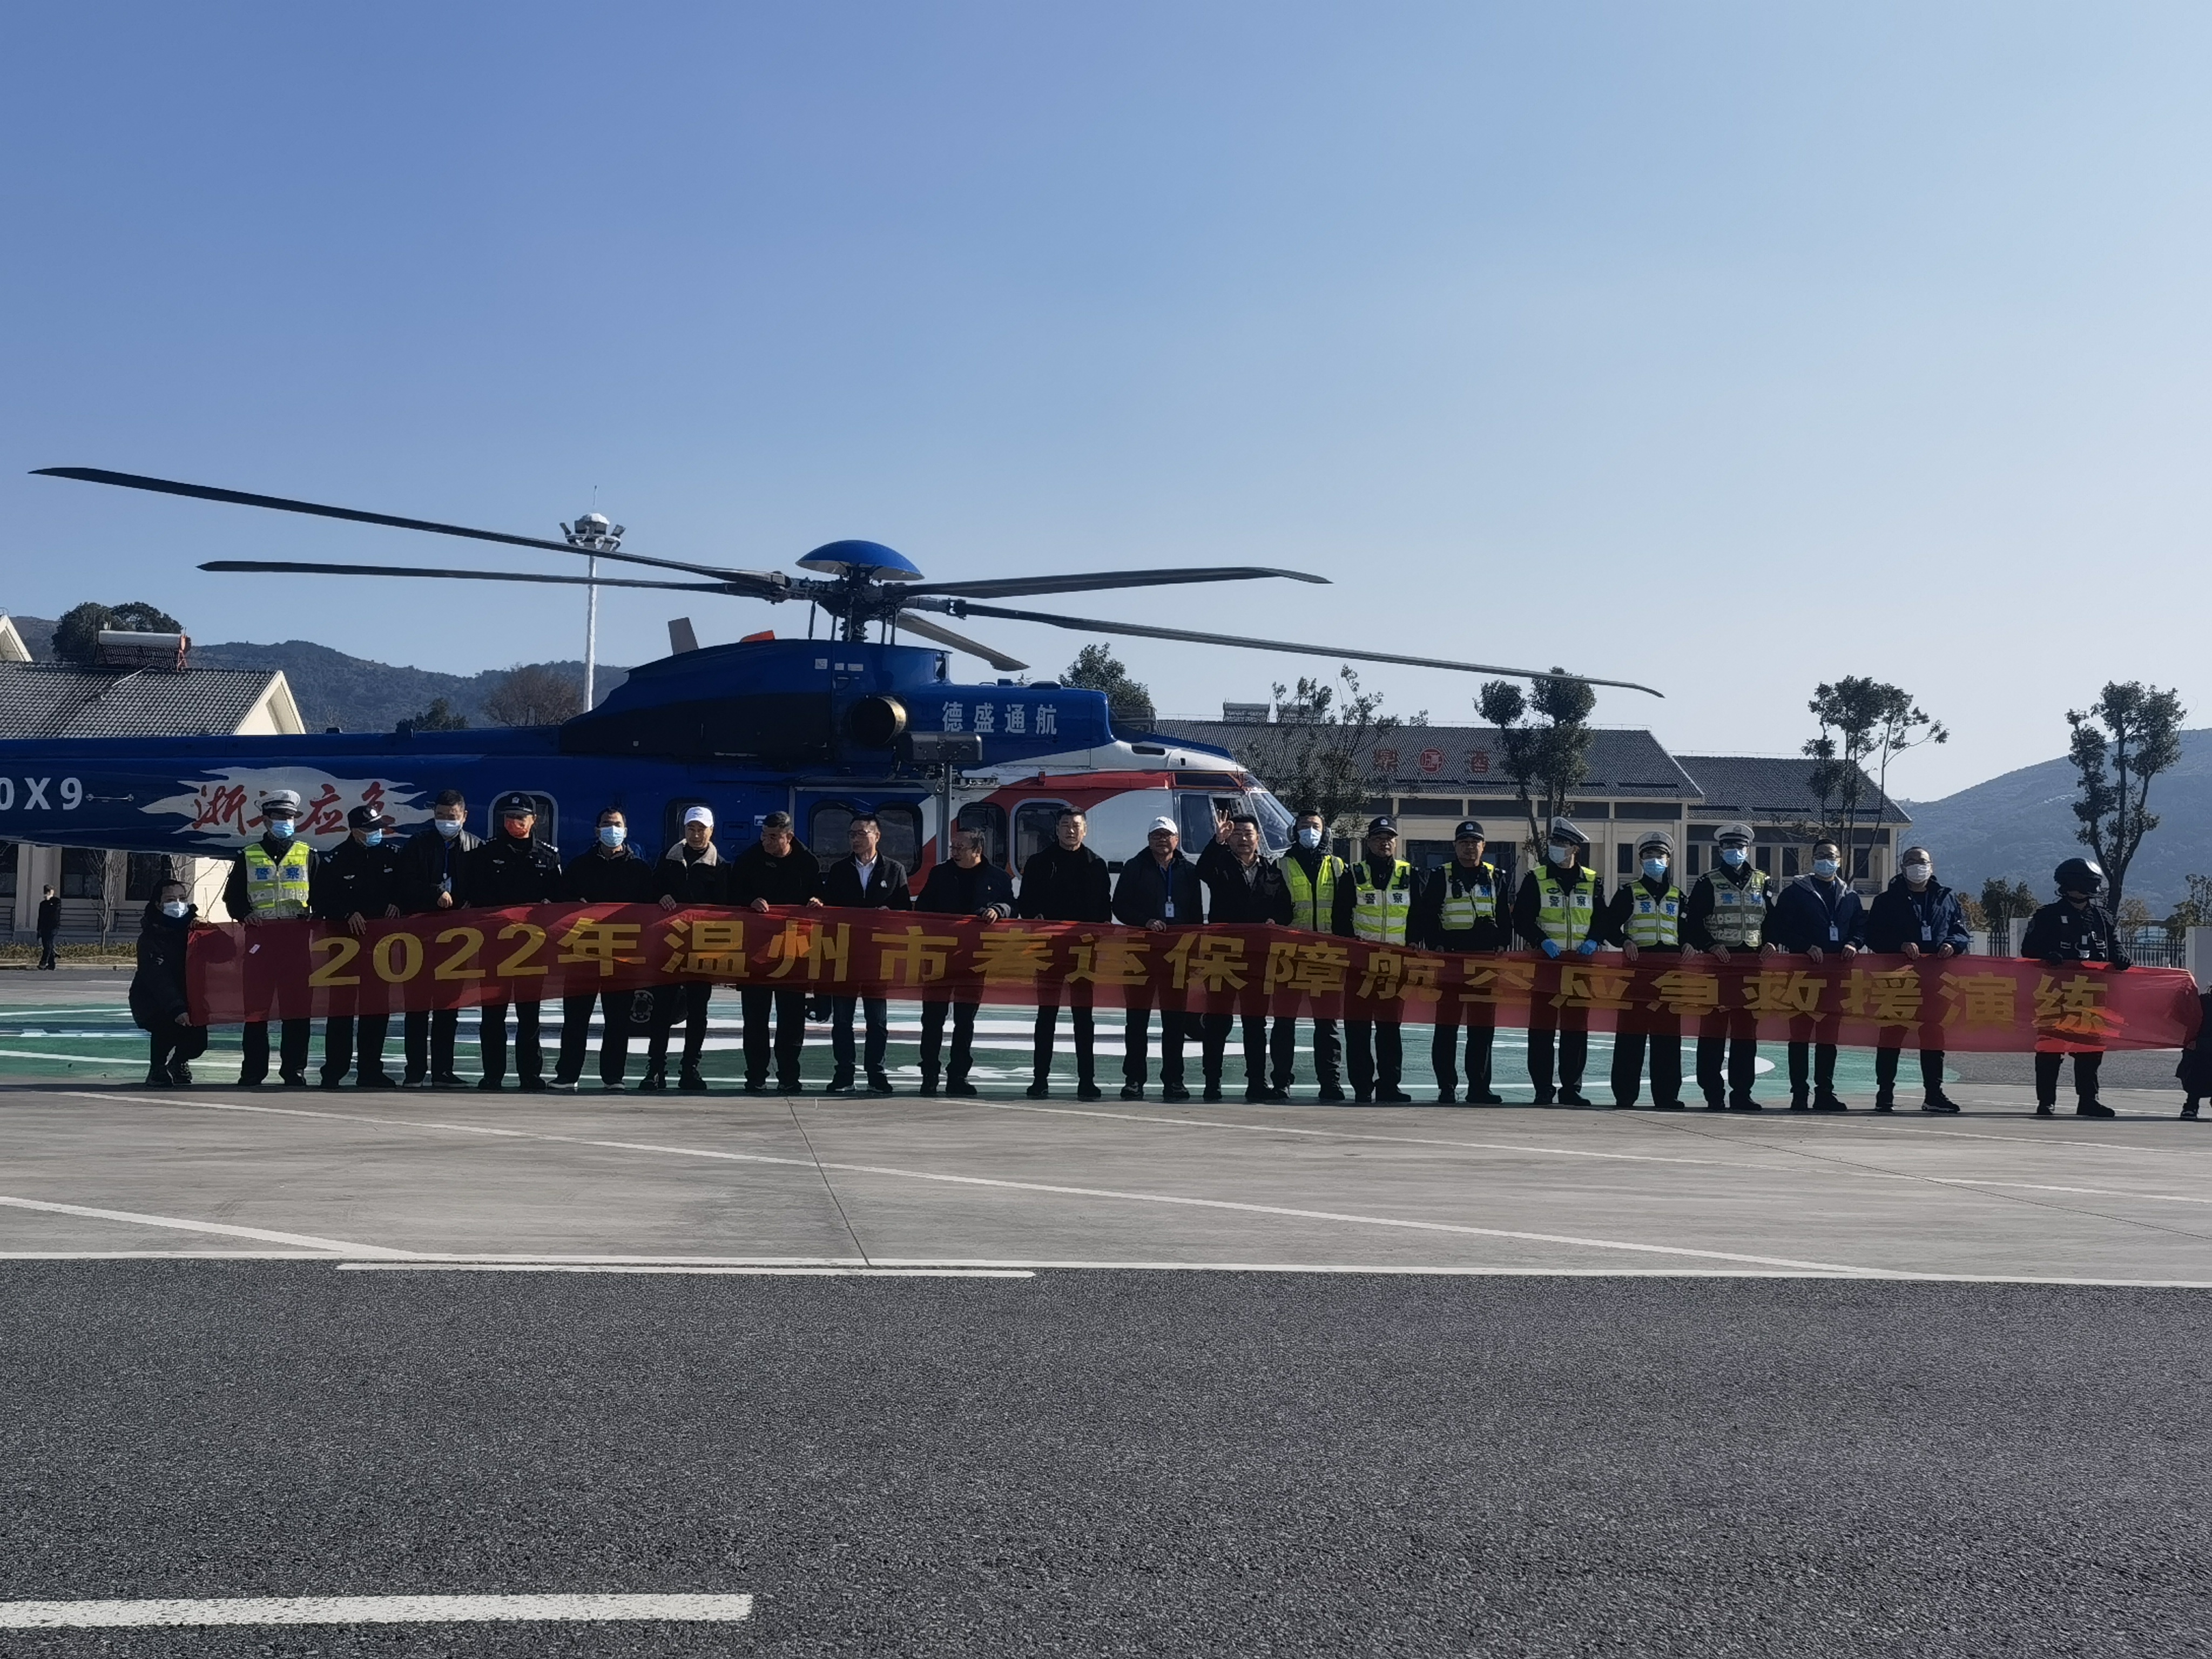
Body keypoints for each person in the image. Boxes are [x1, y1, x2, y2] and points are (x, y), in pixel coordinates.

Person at [465, 792, 565, 1091]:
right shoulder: (485, 854)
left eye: (521, 818)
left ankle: (530, 1074)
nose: (515, 822)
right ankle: (492, 1074)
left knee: (529, 1015)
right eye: (510, 817)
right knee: (492, 1016)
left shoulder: (549, 857)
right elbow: (476, 896)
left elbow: (560, 898)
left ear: (534, 820)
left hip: (532, 950)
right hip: (494, 947)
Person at [557, 806, 659, 1091]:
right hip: (582, 954)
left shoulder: (639, 870)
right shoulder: (579, 866)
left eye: (616, 825)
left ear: (625, 831)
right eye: (606, 824)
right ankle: (567, 1074)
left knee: (617, 1020)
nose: (611, 829)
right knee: (575, 1018)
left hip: (621, 955)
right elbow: (561, 903)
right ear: (596, 830)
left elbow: (649, 911)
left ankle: (614, 1076)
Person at [222, 787, 318, 1087]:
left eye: (290, 817)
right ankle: (253, 1071)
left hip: (296, 943)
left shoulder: (308, 855)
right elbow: (233, 898)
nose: (286, 822)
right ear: (265, 820)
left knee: (297, 1011)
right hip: (260, 944)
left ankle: (294, 1070)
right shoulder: (248, 855)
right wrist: (244, 914)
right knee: (256, 1012)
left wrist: (316, 915)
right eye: (280, 817)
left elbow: (324, 895)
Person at [2021, 857, 2130, 1119]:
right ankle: (2046, 1101)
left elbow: (2114, 944)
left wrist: (2121, 956)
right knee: (2051, 1048)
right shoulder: (2047, 916)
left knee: (2090, 1050)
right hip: (2054, 993)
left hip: (2092, 994)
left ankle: (2089, 1100)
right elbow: (2028, 950)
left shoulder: (2103, 918)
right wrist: (2048, 956)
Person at [1864, 845, 1968, 1114]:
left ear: (1931, 866)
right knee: (1891, 1036)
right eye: (1911, 861)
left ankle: (1934, 1094)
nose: (1917, 866)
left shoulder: (1946, 898)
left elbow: (1961, 932)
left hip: (1935, 980)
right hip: (1897, 980)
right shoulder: (1887, 901)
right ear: (1902, 867)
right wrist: (1899, 945)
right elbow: (1873, 936)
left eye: (1922, 861)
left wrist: (1952, 944)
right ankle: (1884, 1094)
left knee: (1933, 1038)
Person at [1017, 806, 1111, 1100]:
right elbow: (1025, 905)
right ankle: (1040, 1080)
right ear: (1056, 830)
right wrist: (1036, 918)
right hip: (1049, 951)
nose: (1071, 830)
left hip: (1083, 951)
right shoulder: (1039, 863)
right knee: (1047, 1016)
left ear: (1085, 830)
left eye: (1076, 825)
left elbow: (1104, 910)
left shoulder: (1096, 864)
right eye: (1065, 825)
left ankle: (1087, 1081)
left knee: (1084, 1019)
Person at [1766, 837, 1866, 1112]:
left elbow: (1860, 928)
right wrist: (1804, 946)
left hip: (1835, 978)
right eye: (1821, 855)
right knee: (1800, 1036)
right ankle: (1799, 1093)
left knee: (1828, 1037)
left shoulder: (1850, 896)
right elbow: (1780, 929)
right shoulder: (1794, 894)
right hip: (1803, 976)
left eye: (1831, 856)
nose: (1827, 860)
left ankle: (1825, 1093)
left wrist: (1853, 943)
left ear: (1840, 860)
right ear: (1812, 861)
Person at [1198, 812, 1292, 1102]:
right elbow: (1202, 870)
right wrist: (1217, 840)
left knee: (1255, 1023)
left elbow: (1285, 910)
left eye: (1247, 833)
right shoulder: (1220, 865)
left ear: (1258, 838)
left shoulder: (1272, 873)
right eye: (1236, 834)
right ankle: (1212, 1082)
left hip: (1257, 959)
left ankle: (1257, 1084)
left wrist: (1277, 921)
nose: (1242, 839)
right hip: (1223, 956)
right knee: (1217, 1021)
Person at [1510, 817, 1604, 1107]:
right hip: (1546, 964)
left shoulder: (1592, 881)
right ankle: (1543, 1089)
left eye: (1562, 843)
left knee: (1575, 1029)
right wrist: (1541, 940)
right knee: (1542, 1029)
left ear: (1575, 849)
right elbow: (1521, 919)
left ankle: (1571, 1088)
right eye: (1554, 842)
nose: (1556, 847)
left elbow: (1602, 919)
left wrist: (1594, 940)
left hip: (1580, 965)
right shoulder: (1536, 879)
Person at [727, 812, 823, 1094]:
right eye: (764, 836)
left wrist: (817, 901)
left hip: (793, 950)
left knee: (791, 1019)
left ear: (788, 837)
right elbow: (730, 896)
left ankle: (789, 1076)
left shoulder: (807, 862)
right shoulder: (749, 860)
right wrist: (750, 901)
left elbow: (821, 897)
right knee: (755, 1018)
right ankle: (756, 1075)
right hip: (756, 951)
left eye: (773, 837)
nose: (766, 841)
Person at [914, 827, 1014, 1095]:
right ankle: (929, 1074)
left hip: (975, 958)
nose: (954, 852)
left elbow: (1012, 906)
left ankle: (958, 1075)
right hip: (939, 956)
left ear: (977, 850)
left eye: (960, 848)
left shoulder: (997, 878)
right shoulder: (940, 874)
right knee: (932, 1019)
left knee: (965, 1021)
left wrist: (999, 910)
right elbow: (922, 908)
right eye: (953, 847)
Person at [1684, 821, 1775, 1112]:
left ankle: (1742, 1093)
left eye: (1739, 846)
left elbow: (1771, 919)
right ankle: (1713, 1093)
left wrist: (1772, 942)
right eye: (1729, 846)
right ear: (1720, 850)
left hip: (1751, 965)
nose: (1734, 851)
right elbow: (1692, 922)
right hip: (1718, 965)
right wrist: (1710, 945)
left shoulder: (1762, 881)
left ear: (1748, 849)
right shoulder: (1707, 882)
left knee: (1746, 1032)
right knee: (1713, 1031)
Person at [1112, 814, 1204, 1101]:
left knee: (1175, 1023)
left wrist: (1194, 953)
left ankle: (1174, 1081)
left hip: (1177, 957)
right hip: (1140, 955)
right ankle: (1134, 1080)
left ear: (1177, 840)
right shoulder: (1134, 867)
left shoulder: (1189, 871)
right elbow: (1119, 906)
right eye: (1156, 836)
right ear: (1149, 840)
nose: (1162, 840)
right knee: (1137, 1022)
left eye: (1167, 835)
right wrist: (1146, 921)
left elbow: (1196, 915)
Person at [311, 804, 403, 1089]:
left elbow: (405, 888)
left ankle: (370, 1070)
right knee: (341, 1009)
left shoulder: (392, 855)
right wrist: (346, 913)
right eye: (369, 830)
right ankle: (334, 1070)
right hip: (344, 946)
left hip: (381, 946)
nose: (376, 834)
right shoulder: (335, 860)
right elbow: (320, 900)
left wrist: (397, 903)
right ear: (354, 831)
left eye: (378, 828)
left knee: (376, 1009)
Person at [820, 813, 913, 1094]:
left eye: (861, 833)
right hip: (845, 953)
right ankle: (844, 1073)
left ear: (877, 836)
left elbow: (905, 911)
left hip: (877, 956)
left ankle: (876, 1074)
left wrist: (890, 914)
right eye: (852, 834)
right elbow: (829, 909)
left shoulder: (894, 870)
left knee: (877, 1020)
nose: (855, 839)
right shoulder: (839, 870)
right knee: (842, 1020)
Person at [396, 790, 478, 1088]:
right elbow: (403, 884)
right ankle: (415, 1071)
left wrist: (470, 902)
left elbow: (483, 886)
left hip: (457, 941)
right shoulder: (417, 845)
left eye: (452, 817)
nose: (446, 821)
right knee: (417, 1008)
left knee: (448, 1009)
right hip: (420, 938)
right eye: (440, 816)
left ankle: (443, 1071)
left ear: (464, 816)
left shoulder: (475, 848)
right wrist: (434, 893)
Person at [1332, 815, 1417, 1104]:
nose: (1385, 843)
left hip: (1395, 964)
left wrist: (1414, 943)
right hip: (1360, 965)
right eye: (1379, 838)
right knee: (1358, 1028)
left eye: (1389, 838)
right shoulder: (1354, 874)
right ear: (1369, 842)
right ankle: (1362, 1087)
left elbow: (1418, 915)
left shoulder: (1409, 873)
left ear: (1396, 842)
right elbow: (1340, 916)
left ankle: (1389, 1085)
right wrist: (1351, 946)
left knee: (1390, 1029)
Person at [646, 805, 729, 1092]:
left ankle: (690, 1068)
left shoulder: (721, 866)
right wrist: (662, 896)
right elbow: (650, 892)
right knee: (662, 1011)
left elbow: (726, 906)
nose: (696, 834)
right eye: (691, 829)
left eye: (701, 829)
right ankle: (655, 1069)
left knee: (697, 1012)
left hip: (701, 950)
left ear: (711, 831)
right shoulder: (667, 861)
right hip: (667, 947)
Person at [1604, 830, 1685, 1110]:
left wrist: (1689, 944)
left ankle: (1667, 1096)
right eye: (1649, 855)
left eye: (1660, 855)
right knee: (1631, 1035)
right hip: (1636, 972)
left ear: (1668, 860)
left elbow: (1688, 930)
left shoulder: (1678, 895)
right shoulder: (1629, 892)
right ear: (1641, 860)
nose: (1655, 860)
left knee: (1668, 1037)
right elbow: (1609, 926)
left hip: (1669, 973)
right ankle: (1625, 1094)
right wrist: (1624, 941)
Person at [1274, 810, 1346, 1101]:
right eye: (1304, 826)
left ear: (1325, 832)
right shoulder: (1281, 865)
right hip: (1290, 956)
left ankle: (1330, 1083)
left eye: (1316, 826)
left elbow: (1346, 910)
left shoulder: (1338, 866)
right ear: (1294, 832)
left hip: (1327, 957)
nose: (1310, 831)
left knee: (1327, 1024)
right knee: (1284, 1022)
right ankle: (1281, 1081)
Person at [130, 879, 205, 1088]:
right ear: (158, 904)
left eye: (182, 899)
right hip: (154, 999)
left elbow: (225, 954)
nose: (178, 904)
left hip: (190, 995)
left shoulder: (195, 931)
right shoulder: (150, 937)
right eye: (170, 900)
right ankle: (157, 1068)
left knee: (198, 1043)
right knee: (166, 1026)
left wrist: (208, 930)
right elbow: (157, 978)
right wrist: (177, 1008)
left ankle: (179, 1061)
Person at [35, 884, 59, 969]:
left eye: (49, 891)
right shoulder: (43, 904)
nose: (47, 893)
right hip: (44, 927)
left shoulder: (56, 902)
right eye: (46, 892)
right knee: (47, 945)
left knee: (48, 945)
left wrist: (50, 900)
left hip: (53, 927)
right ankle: (52, 964)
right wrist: (39, 929)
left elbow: (55, 912)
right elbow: (41, 917)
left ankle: (43, 963)